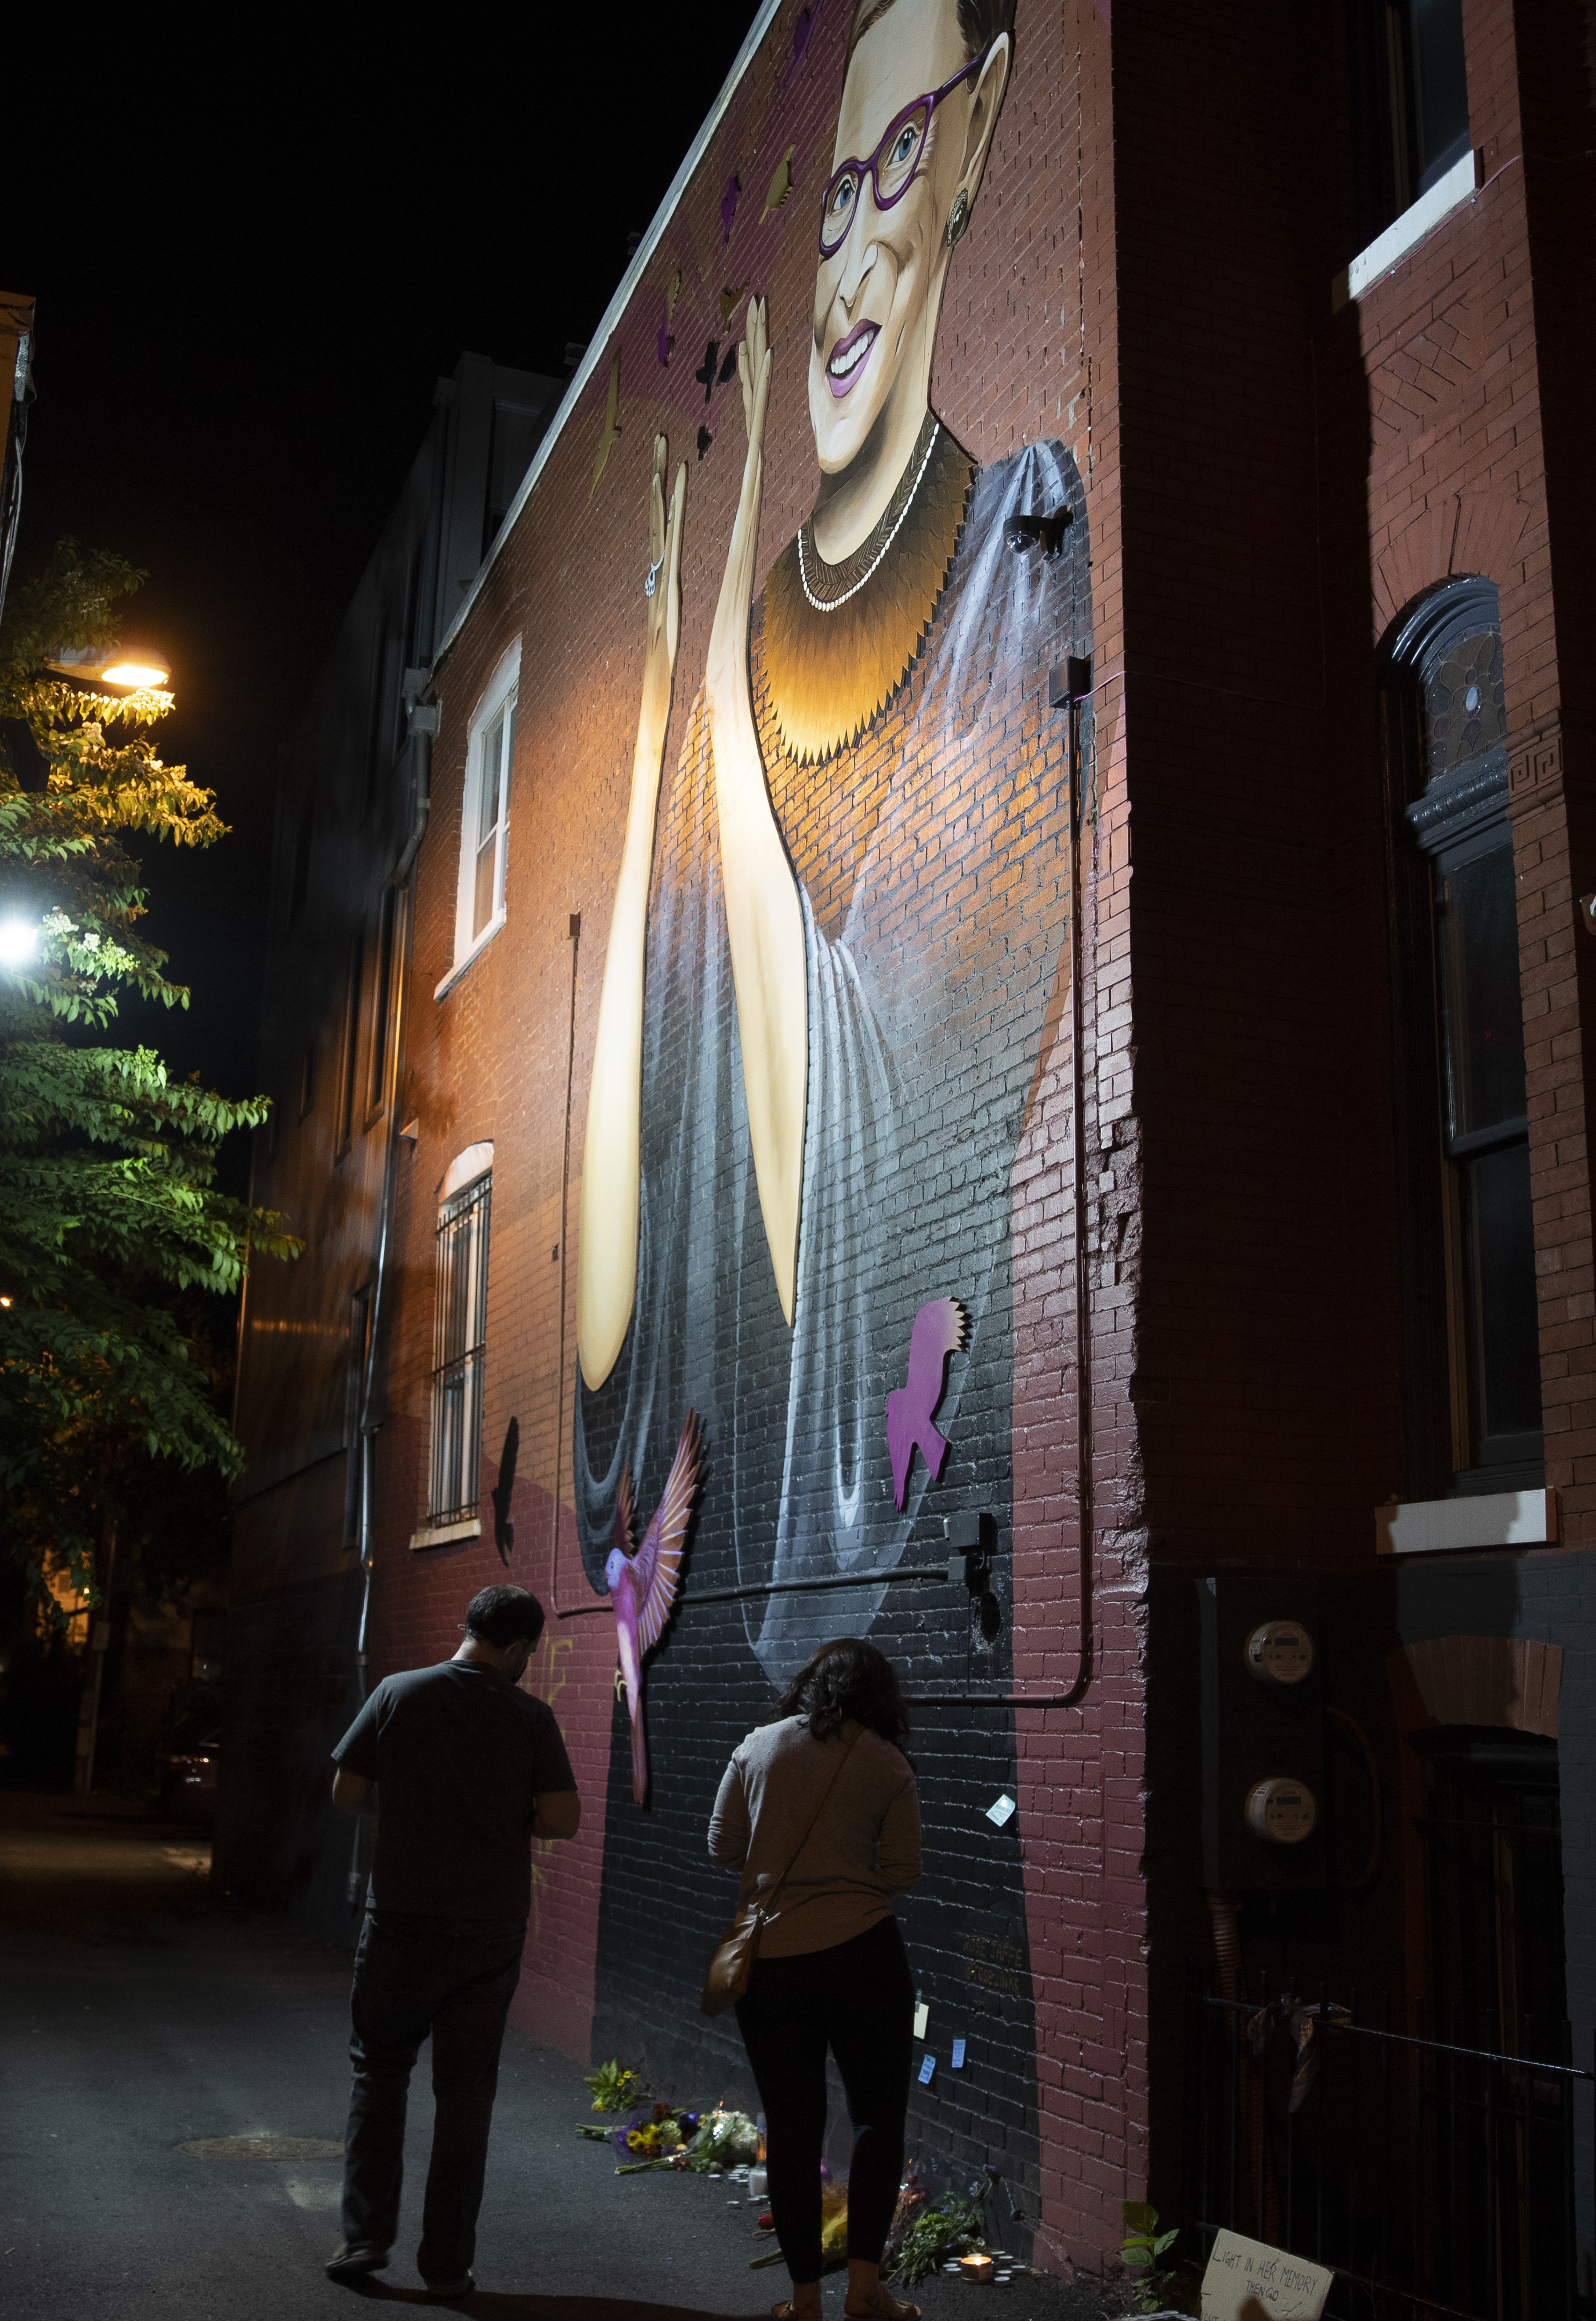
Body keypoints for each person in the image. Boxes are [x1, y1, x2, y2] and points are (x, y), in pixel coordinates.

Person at [574, 0, 1084, 1669]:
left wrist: (715, 616)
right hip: (706, 1657)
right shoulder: (738, 656)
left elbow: (856, 1206)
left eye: (905, 164)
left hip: (916, 1658)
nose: (853, 248)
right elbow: (606, 1352)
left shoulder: (1020, 548)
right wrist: (668, 682)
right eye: (835, 190)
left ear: (985, 139)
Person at [323, 1584, 580, 2295]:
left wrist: (410, 1801)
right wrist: (504, 1813)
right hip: (490, 1925)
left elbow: (347, 1792)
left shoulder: (397, 1693)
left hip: (402, 1914)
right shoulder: (531, 1716)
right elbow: (562, 1818)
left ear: (467, 1628)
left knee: (380, 2071)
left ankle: (365, 2240)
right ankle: (446, 2265)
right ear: (521, 1647)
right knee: (465, 2096)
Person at [711, 1639, 925, 2321]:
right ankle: (864, 2290)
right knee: (877, 2120)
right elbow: (903, 1872)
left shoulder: (757, 1747)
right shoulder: (888, 1763)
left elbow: (722, 1847)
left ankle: (805, 2300)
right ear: (879, 1696)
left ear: (809, 1684)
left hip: (773, 1964)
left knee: (794, 2130)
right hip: (866, 1956)